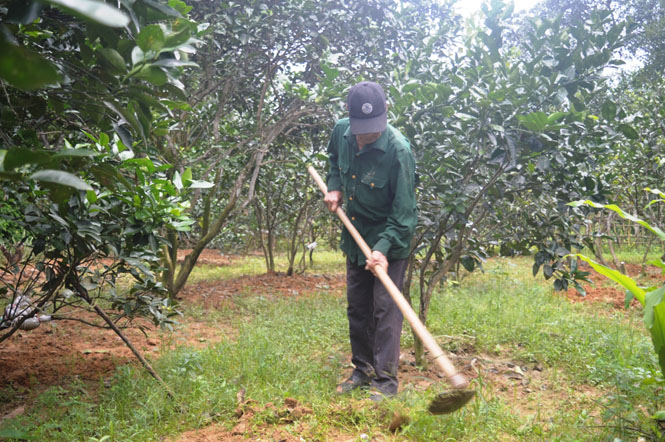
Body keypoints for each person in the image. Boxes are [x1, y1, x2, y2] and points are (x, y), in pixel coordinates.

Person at [324, 81, 417, 400]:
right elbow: (334, 160)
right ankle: (362, 370)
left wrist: (383, 248)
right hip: (355, 234)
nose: (367, 136)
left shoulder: (399, 151)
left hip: (391, 238)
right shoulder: (340, 132)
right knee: (359, 307)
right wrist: (334, 186)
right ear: (351, 122)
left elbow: (405, 213)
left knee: (385, 309)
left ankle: (386, 381)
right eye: (362, 130)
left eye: (374, 129)